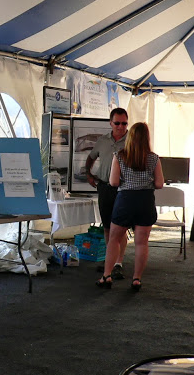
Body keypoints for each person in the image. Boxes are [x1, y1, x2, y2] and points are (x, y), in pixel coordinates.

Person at [96, 122, 164, 291]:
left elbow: (113, 182)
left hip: (125, 200)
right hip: (145, 201)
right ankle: (136, 279)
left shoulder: (119, 156)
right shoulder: (154, 158)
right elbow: (159, 183)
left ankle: (107, 276)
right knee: (141, 243)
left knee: (114, 239)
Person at [84, 107, 129, 279]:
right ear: (110, 123)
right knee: (107, 227)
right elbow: (91, 157)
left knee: (121, 227)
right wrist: (88, 174)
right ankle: (109, 260)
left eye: (124, 123)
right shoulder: (102, 141)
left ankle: (118, 263)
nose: (120, 126)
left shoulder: (132, 141)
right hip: (104, 187)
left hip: (123, 189)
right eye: (117, 123)